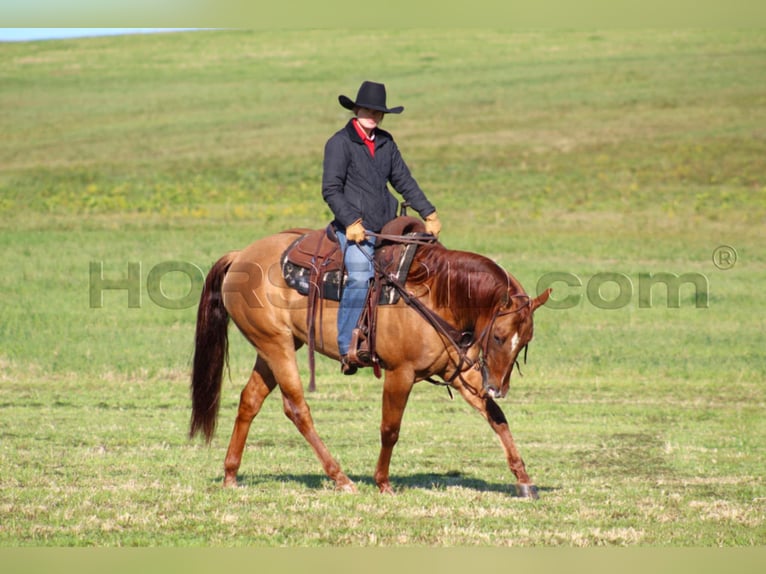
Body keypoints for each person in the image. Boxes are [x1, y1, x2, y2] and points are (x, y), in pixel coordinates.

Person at [322, 80, 442, 375]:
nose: (372, 115)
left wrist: (428, 211)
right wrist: (351, 222)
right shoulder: (339, 143)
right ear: (356, 109)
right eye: (367, 109)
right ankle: (345, 348)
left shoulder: (386, 142)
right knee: (361, 276)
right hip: (353, 229)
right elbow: (331, 189)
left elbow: (403, 181)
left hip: (387, 226)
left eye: (377, 112)